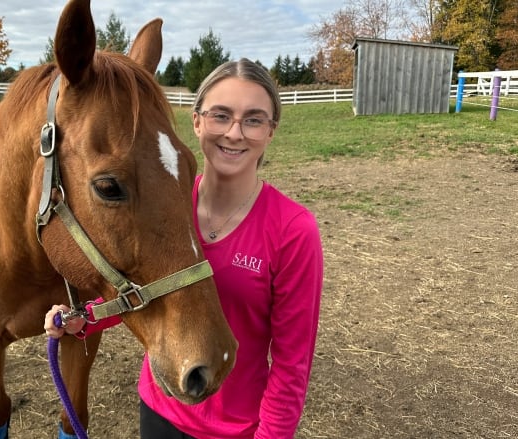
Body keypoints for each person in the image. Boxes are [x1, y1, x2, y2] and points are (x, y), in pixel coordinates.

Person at [45, 58, 323, 439]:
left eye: (254, 119)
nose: (235, 133)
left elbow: (293, 364)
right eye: (221, 115)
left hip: (237, 428)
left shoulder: (293, 230)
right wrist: (86, 318)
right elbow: (145, 280)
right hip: (159, 405)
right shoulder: (170, 199)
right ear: (196, 121)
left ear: (271, 131)